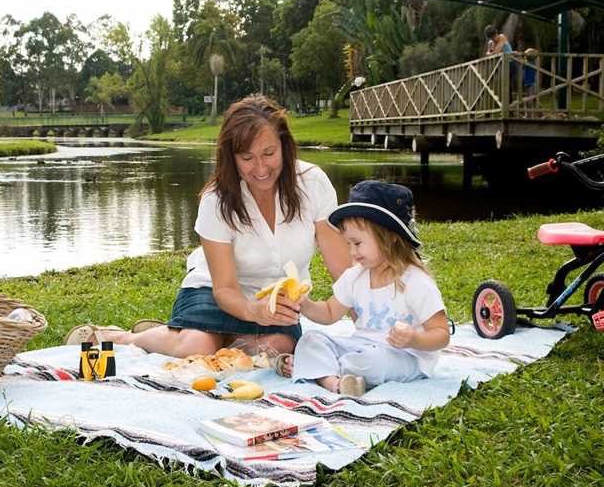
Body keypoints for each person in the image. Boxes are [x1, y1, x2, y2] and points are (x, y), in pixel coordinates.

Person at [64, 94, 351, 357]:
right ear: (231, 157)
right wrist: (253, 312)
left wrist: (371, 321)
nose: (261, 169)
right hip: (214, 291)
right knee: (197, 348)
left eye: (268, 153)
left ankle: (192, 334)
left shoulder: (313, 183)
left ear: (284, 147)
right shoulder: (217, 198)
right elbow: (224, 288)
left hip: (277, 302)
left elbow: (345, 273)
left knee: (277, 348)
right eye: (247, 158)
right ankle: (125, 338)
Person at [276, 180, 450, 396]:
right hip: (360, 347)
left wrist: (415, 339)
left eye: (357, 243)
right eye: (348, 244)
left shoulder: (415, 282)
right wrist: (305, 304)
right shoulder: (356, 276)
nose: (352, 252)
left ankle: (316, 370)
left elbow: (442, 334)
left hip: (404, 356)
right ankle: (335, 383)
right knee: (311, 339)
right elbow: (330, 312)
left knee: (371, 362)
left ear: (390, 237)